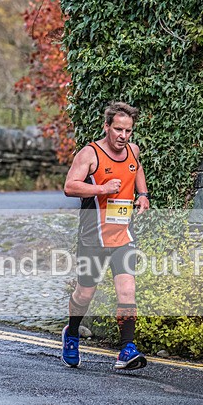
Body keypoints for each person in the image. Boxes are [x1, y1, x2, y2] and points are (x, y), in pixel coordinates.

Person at [61, 102, 150, 370]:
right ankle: (72, 332)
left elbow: (137, 169)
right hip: (93, 236)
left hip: (123, 233)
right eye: (118, 129)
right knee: (85, 293)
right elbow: (69, 187)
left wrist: (143, 195)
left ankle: (127, 349)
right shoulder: (90, 154)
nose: (123, 136)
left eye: (128, 131)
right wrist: (101, 188)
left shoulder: (132, 150)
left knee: (127, 290)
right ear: (107, 127)